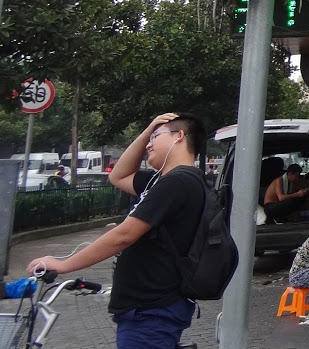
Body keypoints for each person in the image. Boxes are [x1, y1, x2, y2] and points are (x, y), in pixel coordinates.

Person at [27, 112, 207, 349]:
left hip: (151, 312)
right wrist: (149, 129)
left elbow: (124, 235)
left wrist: (64, 264)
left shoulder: (178, 182)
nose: (149, 144)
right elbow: (118, 176)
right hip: (148, 310)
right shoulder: (161, 180)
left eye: (155, 137)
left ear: (179, 136)